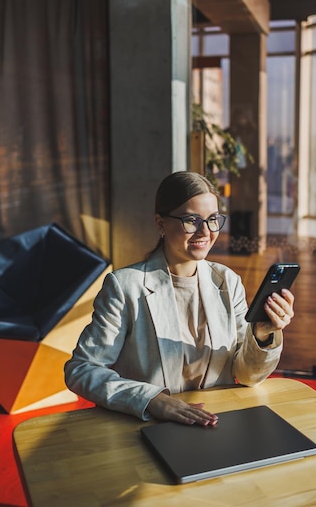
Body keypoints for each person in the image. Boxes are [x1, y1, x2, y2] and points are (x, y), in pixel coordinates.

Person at [65, 171, 295, 426]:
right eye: (191, 220)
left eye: (213, 219)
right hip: (148, 426)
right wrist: (151, 400)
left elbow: (248, 375)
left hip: (218, 421)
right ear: (161, 224)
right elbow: (81, 369)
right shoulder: (124, 287)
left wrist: (262, 336)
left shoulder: (228, 281)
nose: (205, 232)